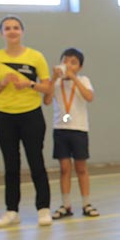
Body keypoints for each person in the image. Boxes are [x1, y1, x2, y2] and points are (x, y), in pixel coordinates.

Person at [0, 15, 54, 227]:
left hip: (31, 115)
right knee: (11, 165)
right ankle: (12, 211)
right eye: (8, 28)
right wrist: (1, 84)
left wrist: (29, 84)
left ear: (22, 31)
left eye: (16, 28)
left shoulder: (35, 57)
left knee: (36, 162)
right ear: (2, 33)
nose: (12, 31)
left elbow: (47, 88)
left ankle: (44, 209)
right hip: (3, 116)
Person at [43, 48, 99, 219]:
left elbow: (89, 97)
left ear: (79, 67)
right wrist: (53, 78)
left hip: (79, 129)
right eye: (65, 61)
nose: (68, 65)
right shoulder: (57, 83)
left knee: (81, 167)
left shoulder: (83, 80)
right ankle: (66, 205)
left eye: (73, 62)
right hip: (60, 129)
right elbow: (46, 100)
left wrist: (74, 78)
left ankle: (86, 203)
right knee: (64, 168)